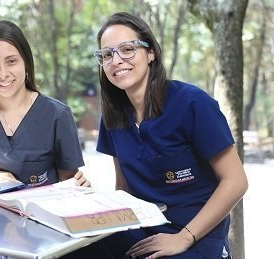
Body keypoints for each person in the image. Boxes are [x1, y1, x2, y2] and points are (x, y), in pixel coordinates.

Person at [71, 11, 247, 259]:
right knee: (74, 249)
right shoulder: (113, 116)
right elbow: (124, 188)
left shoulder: (192, 103)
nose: (116, 60)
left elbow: (236, 181)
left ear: (150, 52)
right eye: (107, 54)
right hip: (142, 229)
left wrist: (184, 237)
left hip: (197, 235)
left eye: (127, 49)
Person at [0, 20, 89, 258]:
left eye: (11, 61)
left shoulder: (57, 114)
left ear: (25, 60)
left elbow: (68, 183)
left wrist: (81, 187)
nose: (3, 74)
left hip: (41, 237)